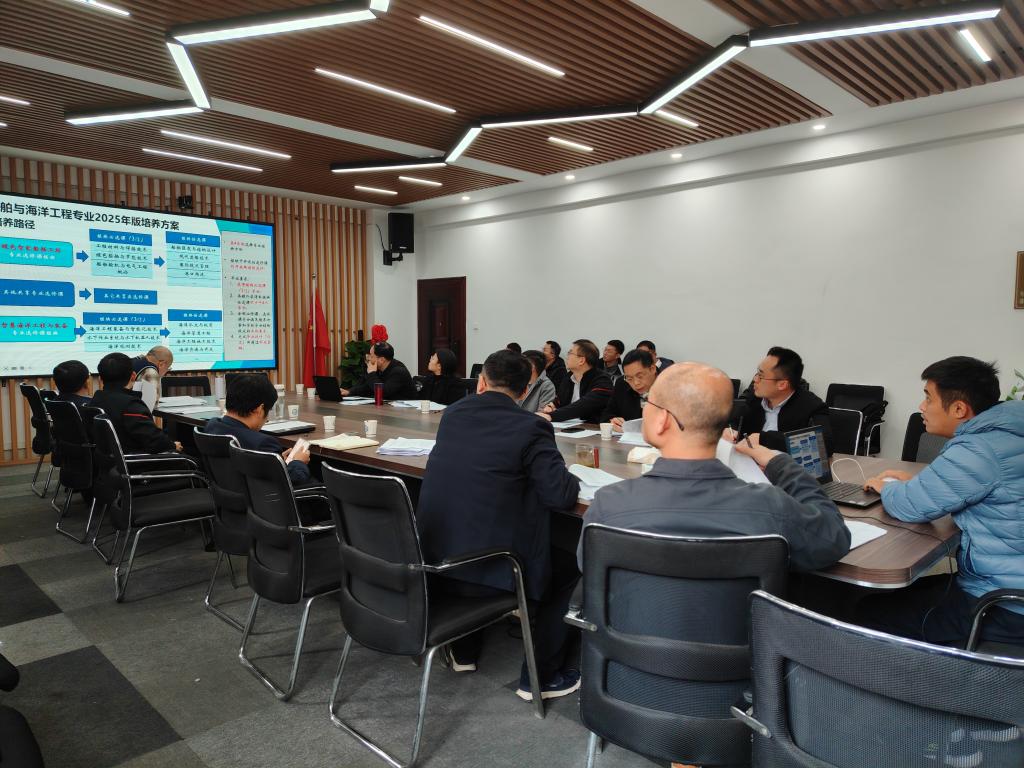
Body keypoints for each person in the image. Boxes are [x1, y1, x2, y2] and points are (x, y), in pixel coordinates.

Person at [417, 350, 582, 701]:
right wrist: (569, 474)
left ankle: (464, 652)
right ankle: (540, 677)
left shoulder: (453, 414)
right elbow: (559, 494)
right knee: (572, 564)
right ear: (525, 392)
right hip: (495, 567)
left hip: (436, 557)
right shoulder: (532, 426)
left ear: (481, 382)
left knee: (473, 516)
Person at [579, 362, 850, 572]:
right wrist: (780, 464)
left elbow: (588, 567)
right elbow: (834, 537)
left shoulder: (609, 504)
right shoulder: (769, 507)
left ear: (662, 421)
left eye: (648, 402)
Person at [858, 357, 1024, 647]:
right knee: (906, 592)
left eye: (928, 397)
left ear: (959, 408)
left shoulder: (978, 449)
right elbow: (970, 487)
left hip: (1002, 606)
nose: (921, 406)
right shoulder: (1009, 431)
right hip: (1009, 585)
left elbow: (909, 506)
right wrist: (914, 483)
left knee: (868, 609)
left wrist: (886, 487)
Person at [203, 373, 314, 487]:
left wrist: (277, 462)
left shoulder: (212, 425)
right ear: (259, 409)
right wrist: (298, 463)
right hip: (260, 497)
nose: (266, 419)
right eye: (268, 411)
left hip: (225, 494)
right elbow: (290, 482)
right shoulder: (263, 444)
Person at [740, 346, 833, 455]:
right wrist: (731, 429)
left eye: (761, 376)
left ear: (782, 384)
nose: (755, 380)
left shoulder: (812, 406)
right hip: (747, 461)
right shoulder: (754, 395)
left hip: (783, 464)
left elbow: (824, 444)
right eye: (757, 373)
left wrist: (763, 438)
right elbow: (734, 416)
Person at [89, 352, 180, 454]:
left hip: (106, 460)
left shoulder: (95, 400)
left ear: (100, 379)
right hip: (135, 460)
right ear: (133, 376)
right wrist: (173, 445)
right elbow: (155, 442)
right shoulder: (131, 406)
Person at [539, 339, 613, 424]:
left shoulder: (602, 380)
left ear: (581, 360)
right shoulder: (568, 377)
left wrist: (551, 416)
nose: (567, 357)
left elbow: (584, 405)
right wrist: (551, 406)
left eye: (570, 353)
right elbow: (560, 400)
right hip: (567, 426)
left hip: (593, 427)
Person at [599, 348, 658, 429]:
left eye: (640, 376)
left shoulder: (670, 385)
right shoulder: (622, 384)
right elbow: (606, 416)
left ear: (652, 369)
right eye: (630, 378)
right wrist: (613, 422)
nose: (636, 383)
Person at [341, 341, 416, 400]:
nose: (368, 358)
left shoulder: (399, 371)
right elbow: (367, 387)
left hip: (406, 411)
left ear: (381, 360)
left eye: (371, 356)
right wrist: (349, 391)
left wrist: (371, 373)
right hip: (387, 408)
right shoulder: (378, 367)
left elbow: (383, 393)